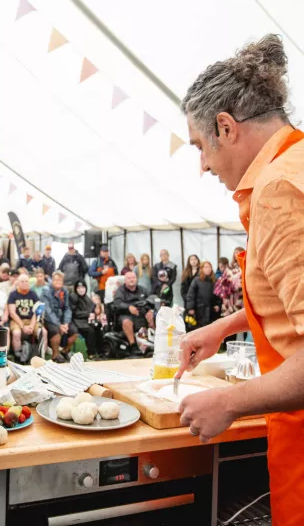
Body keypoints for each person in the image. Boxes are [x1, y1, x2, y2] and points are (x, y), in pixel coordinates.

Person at [176, 34, 304, 525]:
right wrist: (227, 327)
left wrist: (231, 400)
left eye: (200, 147)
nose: (203, 165)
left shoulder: (279, 191)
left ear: (226, 127)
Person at [113, 272, 154, 355]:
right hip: (126, 314)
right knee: (126, 321)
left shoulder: (143, 290)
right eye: (129, 278)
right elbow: (117, 303)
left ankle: (155, 341)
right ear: (125, 280)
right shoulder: (120, 290)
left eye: (133, 278)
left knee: (154, 316)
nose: (132, 280)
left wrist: (150, 310)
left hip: (142, 313)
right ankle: (133, 345)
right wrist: (128, 307)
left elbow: (151, 298)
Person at [42, 271, 78, 362]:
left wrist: (65, 323)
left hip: (62, 318)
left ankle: (65, 351)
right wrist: (59, 325)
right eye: (56, 280)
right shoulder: (46, 290)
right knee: (56, 331)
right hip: (49, 319)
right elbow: (48, 311)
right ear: (52, 281)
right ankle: (55, 355)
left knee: (74, 332)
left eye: (60, 280)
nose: (58, 282)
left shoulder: (64, 291)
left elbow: (67, 308)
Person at [8, 274, 40, 357]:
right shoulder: (13, 294)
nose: (25, 283)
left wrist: (32, 326)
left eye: (27, 281)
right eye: (22, 281)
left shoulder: (33, 294)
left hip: (31, 319)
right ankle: (18, 355)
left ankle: (40, 354)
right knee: (16, 333)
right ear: (18, 283)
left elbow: (37, 311)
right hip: (17, 320)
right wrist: (23, 326)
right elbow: (12, 313)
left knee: (43, 332)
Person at [186, 262, 221, 328]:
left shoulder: (214, 280)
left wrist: (217, 304)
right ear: (201, 269)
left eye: (209, 267)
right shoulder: (196, 280)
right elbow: (191, 294)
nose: (208, 269)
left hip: (211, 310)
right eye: (206, 267)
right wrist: (190, 308)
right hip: (199, 310)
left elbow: (218, 294)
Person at [70, 280, 98, 359]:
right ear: (76, 289)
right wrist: (88, 314)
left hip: (86, 320)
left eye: (83, 287)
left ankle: (100, 351)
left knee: (98, 326)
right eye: (78, 288)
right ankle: (90, 354)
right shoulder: (73, 297)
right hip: (77, 321)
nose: (81, 289)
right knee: (90, 331)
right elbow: (75, 313)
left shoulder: (86, 297)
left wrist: (92, 314)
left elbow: (92, 308)